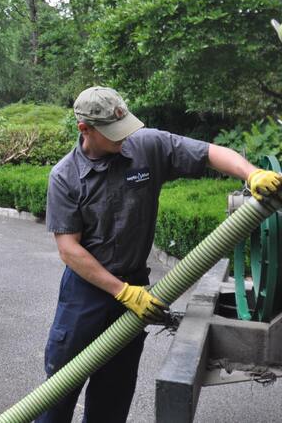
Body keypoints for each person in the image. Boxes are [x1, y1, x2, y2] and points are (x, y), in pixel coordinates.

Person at [38, 86, 282, 423]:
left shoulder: (146, 145)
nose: (123, 139)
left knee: (114, 393)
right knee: (58, 394)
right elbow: (69, 249)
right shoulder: (65, 177)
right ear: (85, 129)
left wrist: (251, 173)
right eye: (113, 134)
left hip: (136, 284)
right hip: (87, 294)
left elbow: (210, 152)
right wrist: (121, 292)